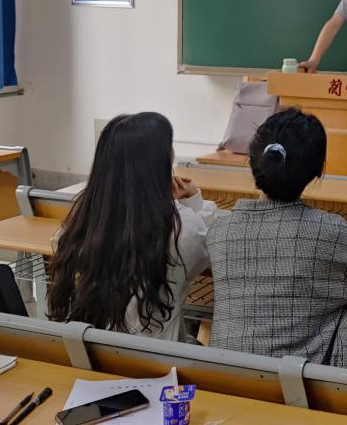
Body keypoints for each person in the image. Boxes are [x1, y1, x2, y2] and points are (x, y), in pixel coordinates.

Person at [207, 108, 347, 365]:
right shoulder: (331, 235)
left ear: (253, 163)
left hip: (227, 380)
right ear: (318, 170)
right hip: (299, 386)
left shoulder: (220, 232)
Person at [46, 112, 219, 341]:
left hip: (88, 351)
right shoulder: (182, 227)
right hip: (155, 357)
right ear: (161, 162)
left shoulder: (82, 221)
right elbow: (213, 249)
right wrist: (193, 202)